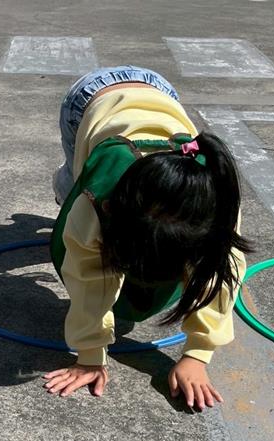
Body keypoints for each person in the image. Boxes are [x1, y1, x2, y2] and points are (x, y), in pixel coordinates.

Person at [43, 66, 250, 410]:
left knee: (87, 217)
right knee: (74, 189)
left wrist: (197, 355)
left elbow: (221, 275)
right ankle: (64, 182)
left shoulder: (215, 205)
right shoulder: (98, 201)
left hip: (159, 92)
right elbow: (85, 273)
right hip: (88, 101)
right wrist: (90, 355)